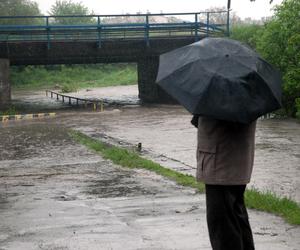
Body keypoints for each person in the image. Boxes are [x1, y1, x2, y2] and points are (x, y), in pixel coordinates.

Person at [191, 115, 256, 250]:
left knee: (223, 226)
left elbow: (227, 119)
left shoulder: (225, 99)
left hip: (221, 163)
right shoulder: (245, 98)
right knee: (236, 217)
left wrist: (200, 112)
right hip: (230, 163)